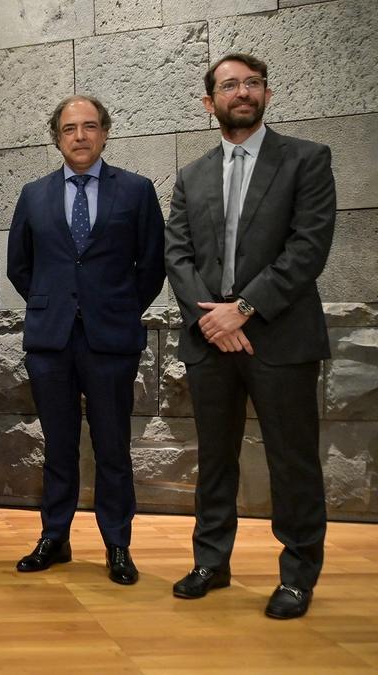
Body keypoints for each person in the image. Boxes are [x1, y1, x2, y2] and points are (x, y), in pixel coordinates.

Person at [166, 53, 335, 619]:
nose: (242, 92)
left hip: (280, 338)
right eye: (229, 85)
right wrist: (212, 320)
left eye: (252, 83)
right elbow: (178, 255)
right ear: (208, 101)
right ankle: (211, 561)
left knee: (292, 461)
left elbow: (307, 248)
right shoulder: (190, 176)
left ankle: (297, 575)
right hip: (210, 342)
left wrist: (242, 309)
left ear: (266, 94)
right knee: (214, 458)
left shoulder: (306, 160)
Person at [6, 95, 165, 585]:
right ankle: (55, 537)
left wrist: (112, 308)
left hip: (110, 341)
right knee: (57, 445)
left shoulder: (136, 191)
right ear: (57, 136)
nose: (80, 136)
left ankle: (118, 544)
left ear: (105, 133)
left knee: (112, 445)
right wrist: (56, 304)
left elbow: (151, 266)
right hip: (51, 343)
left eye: (90, 126)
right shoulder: (33, 194)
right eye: (70, 128)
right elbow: (20, 266)